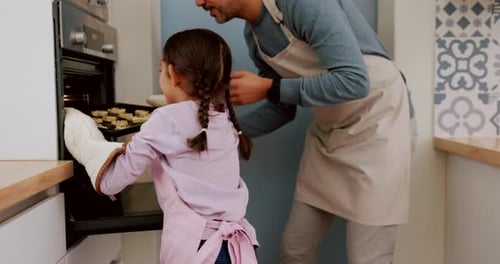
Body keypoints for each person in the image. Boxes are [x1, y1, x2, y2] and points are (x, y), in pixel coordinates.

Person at [194, 0, 417, 263]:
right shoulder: (254, 36)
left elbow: (354, 82)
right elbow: (282, 109)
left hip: (380, 126)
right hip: (330, 133)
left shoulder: (304, 3)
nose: (199, 2)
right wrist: (222, 134)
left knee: (368, 257)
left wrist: (269, 88)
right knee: (295, 250)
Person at [63, 28, 259, 264]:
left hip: (200, 251)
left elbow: (111, 181)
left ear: (173, 74)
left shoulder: (166, 120)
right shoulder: (223, 118)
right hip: (236, 249)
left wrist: (80, 130)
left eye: (160, 71)